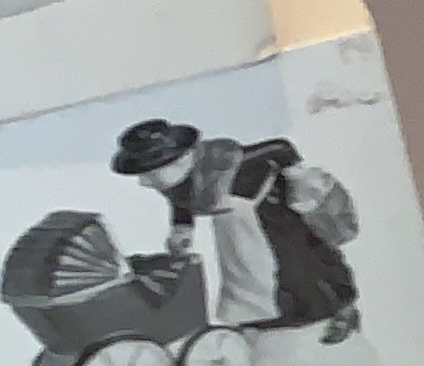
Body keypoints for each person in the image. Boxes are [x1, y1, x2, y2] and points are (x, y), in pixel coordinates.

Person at [111, 117, 361, 341]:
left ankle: (337, 308)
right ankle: (269, 314)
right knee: (245, 269)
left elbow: (281, 147)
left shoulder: (228, 161)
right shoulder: (176, 181)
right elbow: (182, 201)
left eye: (152, 173)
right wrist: (182, 228)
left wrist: (297, 175)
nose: (145, 182)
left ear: (181, 159)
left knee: (297, 260)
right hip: (233, 223)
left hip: (271, 209)